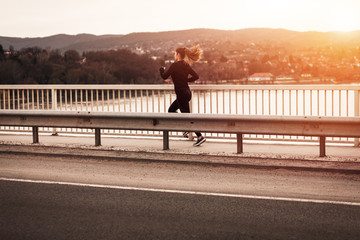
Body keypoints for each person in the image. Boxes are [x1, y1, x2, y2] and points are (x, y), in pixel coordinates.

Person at [159, 45, 206, 146]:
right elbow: (196, 76)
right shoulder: (186, 65)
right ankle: (186, 129)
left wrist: (161, 69)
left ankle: (200, 136)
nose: (174, 55)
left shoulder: (175, 65)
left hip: (181, 94)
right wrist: (186, 80)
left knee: (187, 117)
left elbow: (164, 76)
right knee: (171, 110)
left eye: (175, 53)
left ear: (178, 54)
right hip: (187, 93)